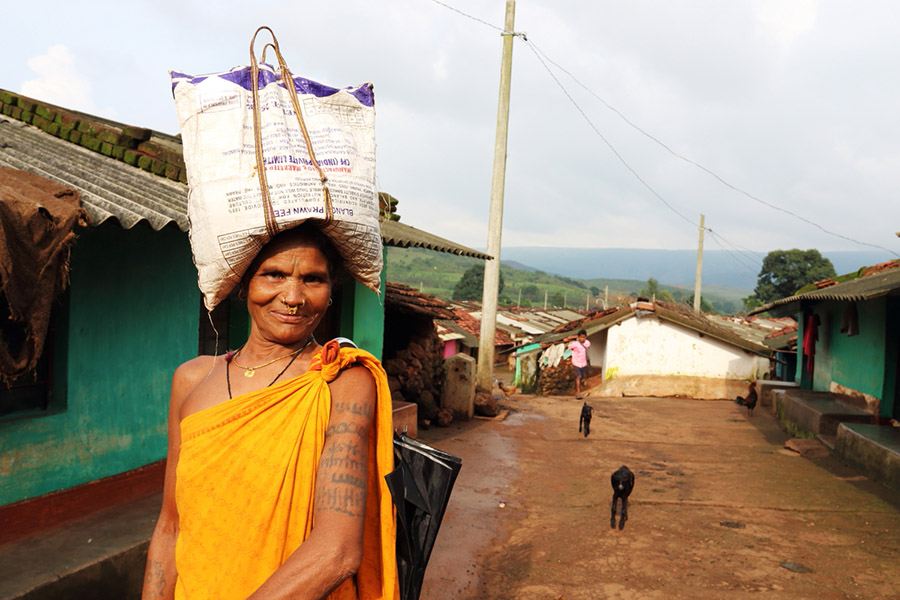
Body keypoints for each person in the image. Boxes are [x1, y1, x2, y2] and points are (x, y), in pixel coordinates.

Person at [142, 223, 398, 600]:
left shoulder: (339, 381)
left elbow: (337, 550)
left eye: (313, 279)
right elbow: (171, 525)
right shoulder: (191, 380)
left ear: (330, 294)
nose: (293, 297)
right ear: (244, 284)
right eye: (274, 275)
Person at [567, 329, 591, 399]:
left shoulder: (587, 343)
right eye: (581, 337)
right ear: (578, 337)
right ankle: (578, 392)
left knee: (583, 378)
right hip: (576, 363)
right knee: (579, 376)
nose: (582, 339)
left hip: (583, 363)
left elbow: (588, 345)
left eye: (584, 337)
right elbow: (569, 347)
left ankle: (580, 391)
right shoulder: (574, 344)